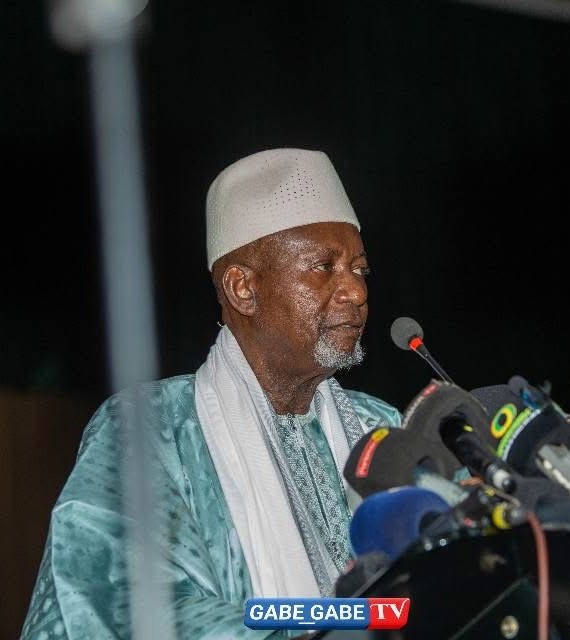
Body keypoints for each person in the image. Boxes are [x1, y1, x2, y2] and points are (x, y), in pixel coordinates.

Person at [21, 149, 401, 639]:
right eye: (323, 267)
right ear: (242, 289)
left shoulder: (382, 429)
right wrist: (329, 627)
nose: (356, 291)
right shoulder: (154, 431)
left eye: (359, 270)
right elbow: (116, 607)